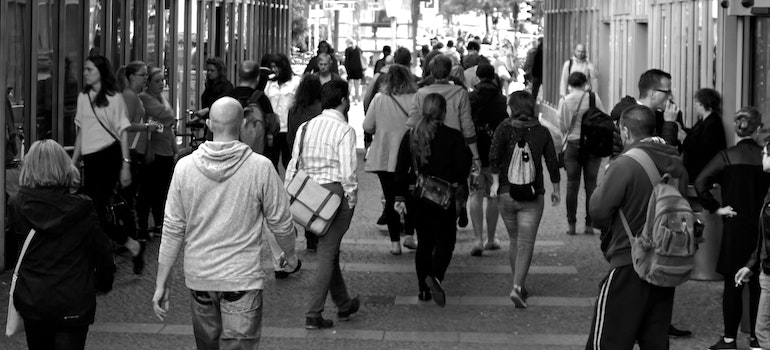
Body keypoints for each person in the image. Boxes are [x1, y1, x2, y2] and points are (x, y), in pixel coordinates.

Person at [152, 97, 300, 348]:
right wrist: (291, 254)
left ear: (209, 123)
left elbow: (173, 228)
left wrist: (161, 283)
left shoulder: (184, 168)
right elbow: (281, 222)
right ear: (242, 124)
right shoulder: (260, 168)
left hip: (200, 278)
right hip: (242, 279)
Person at [586, 105, 688, 349]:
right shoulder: (675, 163)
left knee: (607, 341)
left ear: (624, 131)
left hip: (628, 260)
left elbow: (598, 212)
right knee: (655, 340)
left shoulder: (625, 164)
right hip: (664, 263)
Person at [9, 140, 115, 350]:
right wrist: (102, 284)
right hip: (73, 302)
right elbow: (102, 254)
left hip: (33, 301)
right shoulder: (83, 208)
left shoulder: (17, 204)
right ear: (64, 166)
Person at [285, 80, 361, 329]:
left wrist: (289, 193)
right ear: (343, 101)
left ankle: (343, 302)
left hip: (308, 194)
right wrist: (351, 199)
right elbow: (348, 171)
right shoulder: (344, 131)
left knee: (329, 250)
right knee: (327, 254)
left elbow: (293, 163)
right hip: (333, 195)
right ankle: (313, 313)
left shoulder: (306, 127)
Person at [695, 106, 769, 350]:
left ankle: (729, 339)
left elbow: (700, 182)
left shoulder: (726, 156)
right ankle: (757, 339)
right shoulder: (765, 157)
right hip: (763, 227)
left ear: (738, 130)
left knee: (733, 284)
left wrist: (717, 208)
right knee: (760, 284)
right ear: (758, 129)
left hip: (735, 225)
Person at [394, 93, 472, 306]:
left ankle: (423, 290)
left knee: (425, 242)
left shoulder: (411, 135)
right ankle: (435, 276)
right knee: (446, 240)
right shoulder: (453, 136)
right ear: (444, 112)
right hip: (443, 197)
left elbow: (400, 170)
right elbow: (462, 168)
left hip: (417, 197)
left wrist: (399, 196)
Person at [71, 54, 143, 274]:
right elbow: (82, 131)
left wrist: (125, 164)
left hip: (109, 157)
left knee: (94, 210)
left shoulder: (114, 98)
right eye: (85, 69)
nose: (85, 73)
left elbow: (122, 131)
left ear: (101, 72)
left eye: (89, 69)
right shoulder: (83, 97)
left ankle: (104, 259)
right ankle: (131, 245)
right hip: (91, 160)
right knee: (91, 210)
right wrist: (74, 161)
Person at [488, 91, 561, 308]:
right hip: (532, 194)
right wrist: (556, 188)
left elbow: (494, 156)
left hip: (505, 193)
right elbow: (552, 162)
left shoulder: (504, 128)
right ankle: (518, 287)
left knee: (514, 240)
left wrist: (494, 182)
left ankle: (518, 283)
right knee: (526, 243)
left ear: (513, 107)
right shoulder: (542, 132)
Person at [408, 54, 481, 228]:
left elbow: (411, 123)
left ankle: (432, 214)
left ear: (431, 72)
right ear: (449, 71)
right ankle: (458, 206)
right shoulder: (460, 93)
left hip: (426, 142)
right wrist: (475, 155)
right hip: (455, 144)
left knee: (429, 179)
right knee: (458, 179)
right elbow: (467, 124)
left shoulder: (421, 94)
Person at [364, 65, 420, 255]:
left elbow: (367, 125)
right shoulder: (415, 98)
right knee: (412, 197)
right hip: (410, 157)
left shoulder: (379, 99)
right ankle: (410, 236)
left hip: (385, 156)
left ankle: (395, 242)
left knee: (390, 199)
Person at [467, 63, 508, 256]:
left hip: (475, 152)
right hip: (495, 155)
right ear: (493, 77)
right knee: (493, 196)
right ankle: (491, 239)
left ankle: (477, 239)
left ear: (477, 77)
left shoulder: (471, 98)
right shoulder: (501, 99)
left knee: (475, 194)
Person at [558, 72, 606, 236]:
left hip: (573, 144)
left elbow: (563, 125)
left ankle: (571, 225)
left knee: (572, 184)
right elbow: (603, 117)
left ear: (570, 84)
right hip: (592, 145)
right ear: (586, 83)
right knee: (591, 184)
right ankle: (589, 225)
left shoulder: (565, 101)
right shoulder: (594, 98)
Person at [116, 61, 157, 241]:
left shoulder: (134, 95)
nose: (146, 78)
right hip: (130, 149)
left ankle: (130, 231)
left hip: (136, 148)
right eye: (143, 75)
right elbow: (125, 125)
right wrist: (147, 126)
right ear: (132, 77)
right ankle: (128, 233)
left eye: (147, 74)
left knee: (133, 193)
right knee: (129, 194)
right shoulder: (129, 96)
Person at [137, 67, 177, 241]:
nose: (162, 84)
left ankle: (159, 224)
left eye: (163, 80)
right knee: (147, 190)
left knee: (161, 191)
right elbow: (167, 116)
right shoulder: (144, 98)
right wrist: (169, 118)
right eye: (157, 81)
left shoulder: (161, 98)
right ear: (148, 83)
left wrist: (175, 149)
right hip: (153, 152)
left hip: (165, 149)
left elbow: (170, 124)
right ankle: (143, 227)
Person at [737, 137, 770, 350]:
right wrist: (751, 264)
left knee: (762, 331)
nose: (762, 157)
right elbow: (765, 234)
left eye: (766, 153)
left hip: (769, 272)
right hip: (765, 270)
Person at [285, 74, 323, 252]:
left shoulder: (294, 109)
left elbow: (290, 136)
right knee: (318, 198)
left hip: (301, 158)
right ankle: (314, 234)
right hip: (318, 158)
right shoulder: (321, 109)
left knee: (304, 197)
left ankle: (307, 233)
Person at [610, 69, 683, 156]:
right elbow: (662, 158)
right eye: (667, 92)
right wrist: (669, 124)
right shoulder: (629, 117)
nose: (671, 97)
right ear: (653, 94)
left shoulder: (661, 116)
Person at [264, 53, 301, 170]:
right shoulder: (269, 83)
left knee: (289, 162)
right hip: (273, 130)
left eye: (276, 67)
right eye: (272, 67)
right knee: (271, 162)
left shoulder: (295, 82)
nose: (274, 70)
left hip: (288, 129)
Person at [680, 88, 727, 181]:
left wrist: (685, 138)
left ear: (704, 103)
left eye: (697, 102)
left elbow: (703, 147)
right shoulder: (705, 121)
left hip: (702, 172)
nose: (695, 106)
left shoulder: (713, 122)